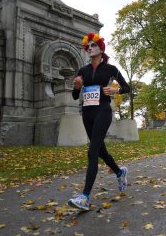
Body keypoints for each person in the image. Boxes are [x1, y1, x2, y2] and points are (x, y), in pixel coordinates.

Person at [67, 33, 130, 210]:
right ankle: (120, 172)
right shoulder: (83, 71)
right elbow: (74, 96)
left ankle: (85, 197)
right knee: (101, 151)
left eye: (93, 45)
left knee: (92, 150)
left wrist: (114, 91)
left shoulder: (110, 69)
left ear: (101, 48)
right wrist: (77, 87)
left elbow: (127, 87)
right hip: (87, 114)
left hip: (103, 111)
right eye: (88, 46)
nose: (90, 48)